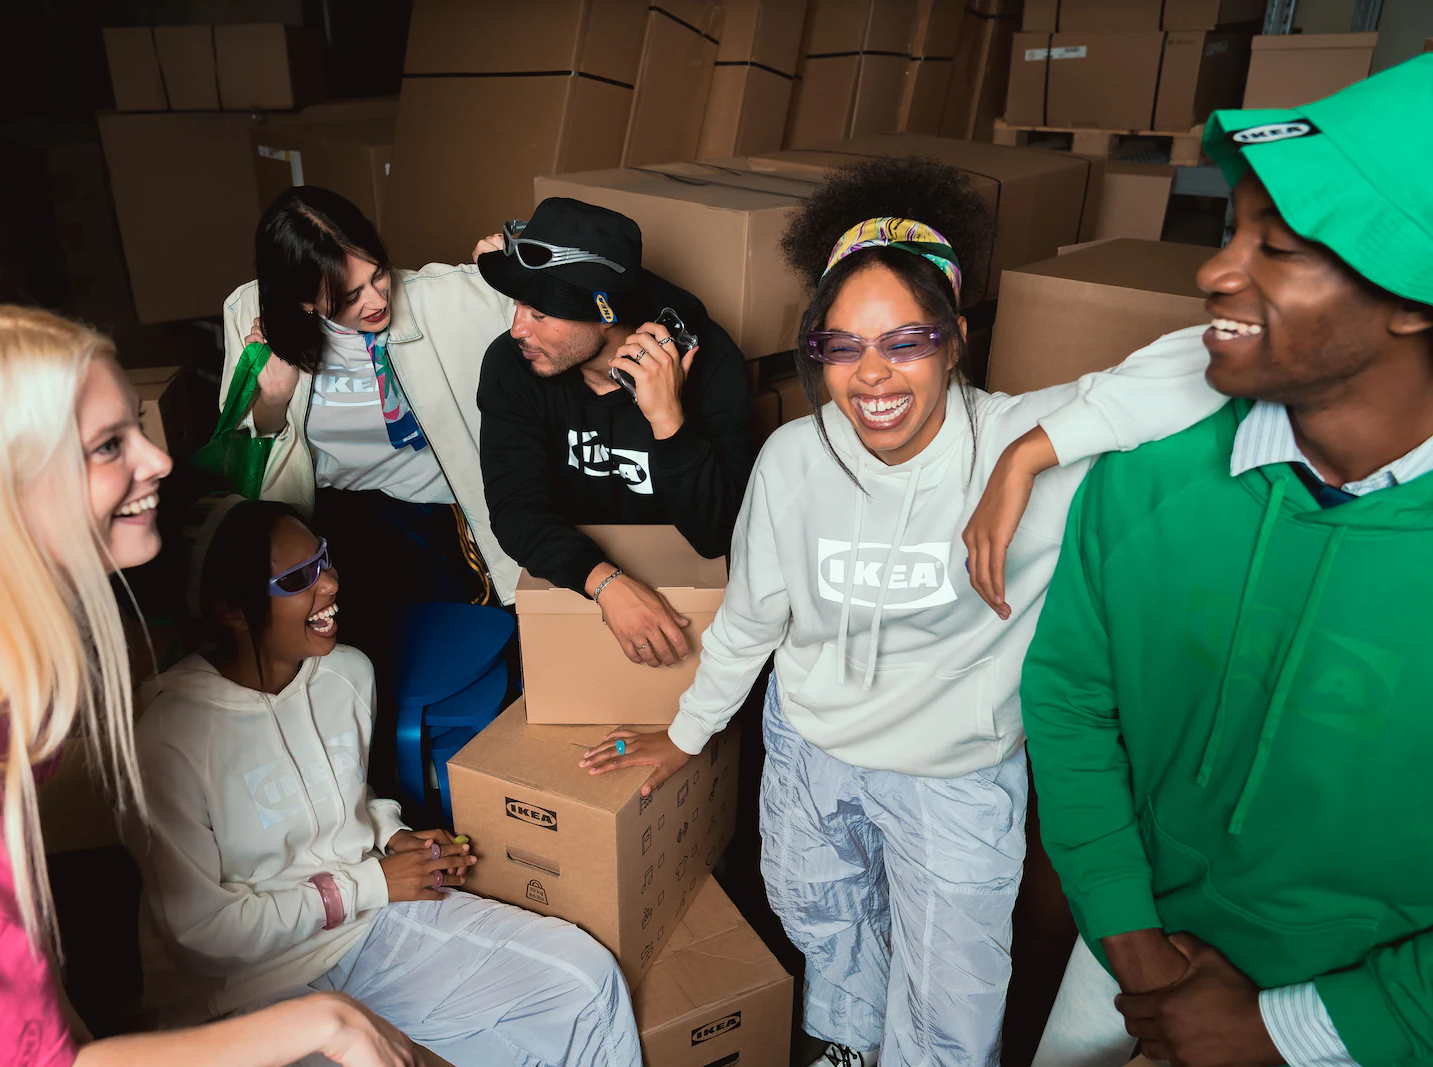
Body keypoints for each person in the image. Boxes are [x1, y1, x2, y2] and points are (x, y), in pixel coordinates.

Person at [578, 157, 1230, 1067]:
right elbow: (753, 618)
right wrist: (687, 734)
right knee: (820, 918)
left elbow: (1220, 356)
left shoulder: (1021, 440)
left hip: (951, 774)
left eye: (906, 340)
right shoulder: (794, 458)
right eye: (842, 346)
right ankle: (852, 1043)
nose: (872, 374)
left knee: (950, 990)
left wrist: (1029, 456)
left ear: (955, 340)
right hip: (810, 747)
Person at [0, 304, 417, 1067]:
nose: (160, 460)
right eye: (109, 445)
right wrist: (322, 1022)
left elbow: (30, 1000)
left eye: (136, 427)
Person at [1023, 56, 1433, 1067]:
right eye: (1231, 231)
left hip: (1374, 1021)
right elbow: (1071, 704)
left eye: (1278, 246)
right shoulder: (1143, 489)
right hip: (1132, 962)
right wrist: (1132, 941)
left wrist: (1282, 1028)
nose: (1215, 272)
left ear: (1416, 299)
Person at [127, 496, 640, 1067]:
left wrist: (393, 836)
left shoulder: (346, 674)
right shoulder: (169, 738)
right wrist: (371, 882)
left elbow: (342, 790)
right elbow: (204, 936)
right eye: (297, 579)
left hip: (365, 929)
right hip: (243, 988)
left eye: (323, 560)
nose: (329, 584)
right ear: (231, 611)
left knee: (583, 981)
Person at [221, 185, 520, 657]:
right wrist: (273, 398)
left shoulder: (445, 299)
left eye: (378, 275)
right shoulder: (248, 312)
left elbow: (574, 308)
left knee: (466, 648)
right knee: (349, 655)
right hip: (329, 520)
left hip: (437, 511)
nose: (377, 300)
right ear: (303, 301)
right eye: (349, 296)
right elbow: (245, 445)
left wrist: (519, 266)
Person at [475, 197, 752, 669]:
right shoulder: (512, 364)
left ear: (605, 314)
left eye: (539, 313)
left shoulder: (712, 363)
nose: (518, 329)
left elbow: (718, 537)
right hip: (574, 581)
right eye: (517, 304)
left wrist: (668, 419)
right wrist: (606, 584)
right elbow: (515, 508)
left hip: (694, 595)